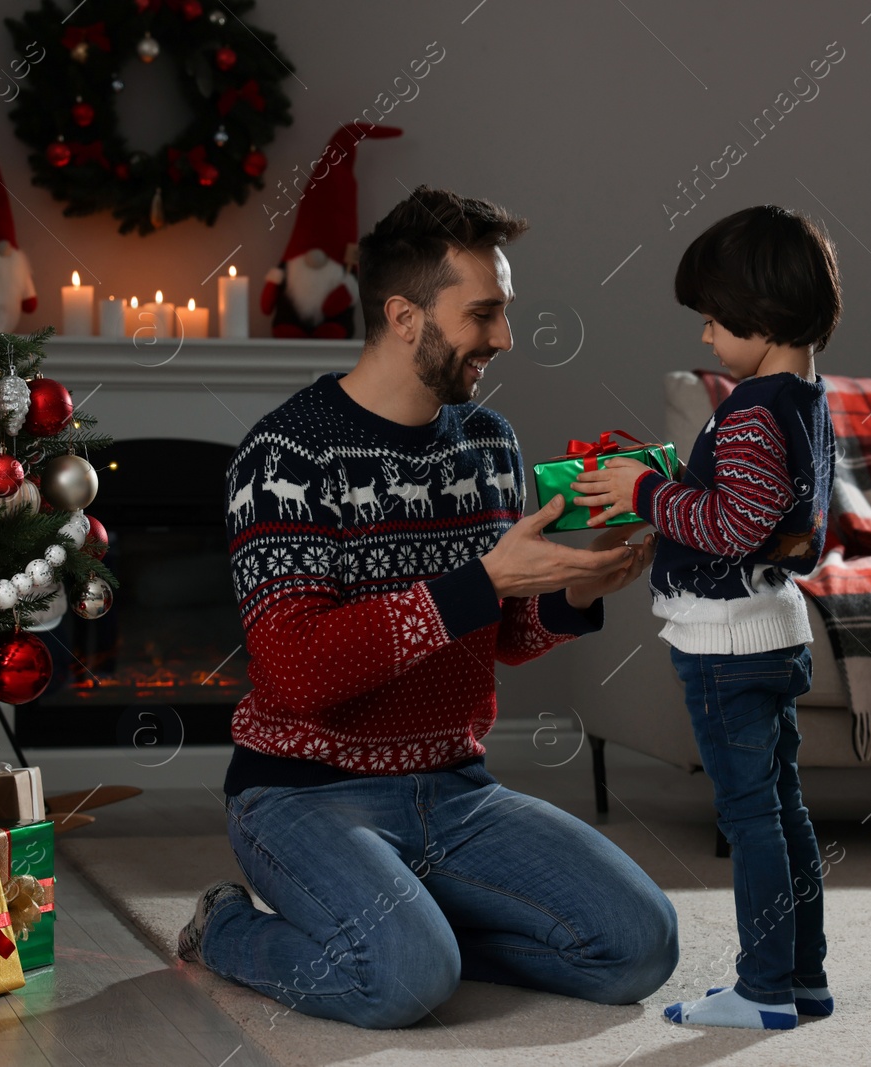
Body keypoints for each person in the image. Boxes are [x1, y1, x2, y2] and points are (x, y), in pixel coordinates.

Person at [177, 186, 678, 1029]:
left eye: (504, 311)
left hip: (456, 789)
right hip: (304, 795)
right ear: (405, 317)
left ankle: (420, 934)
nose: (504, 338)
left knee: (640, 945)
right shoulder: (285, 453)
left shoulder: (488, 442)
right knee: (406, 981)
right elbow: (296, 673)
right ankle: (225, 927)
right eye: (483, 313)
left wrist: (578, 589)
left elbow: (502, 634)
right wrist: (481, 580)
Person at [571, 205, 840, 1030]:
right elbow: (769, 516)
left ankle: (761, 989)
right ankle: (803, 977)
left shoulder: (755, 409)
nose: (706, 338)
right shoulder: (805, 398)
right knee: (782, 807)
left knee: (750, 817)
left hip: (727, 643)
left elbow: (733, 525)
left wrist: (643, 493)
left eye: (715, 321)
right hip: (772, 629)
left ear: (760, 317)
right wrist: (674, 487)